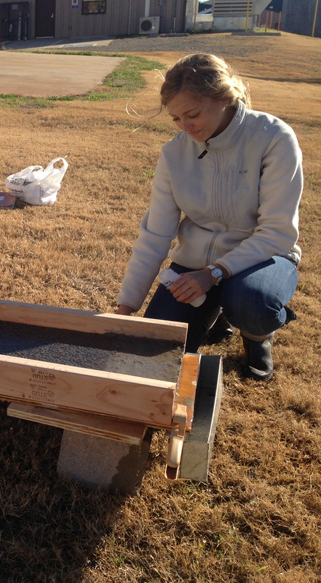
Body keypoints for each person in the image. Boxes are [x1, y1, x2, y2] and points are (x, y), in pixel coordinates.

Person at [116, 53, 302, 382]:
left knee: (253, 300)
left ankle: (256, 335)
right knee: (155, 351)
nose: (185, 127)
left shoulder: (274, 139)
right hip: (194, 264)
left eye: (192, 114)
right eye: (175, 119)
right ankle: (215, 314)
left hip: (261, 258)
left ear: (224, 98)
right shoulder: (174, 153)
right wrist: (125, 309)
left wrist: (214, 272)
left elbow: (276, 232)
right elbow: (156, 235)